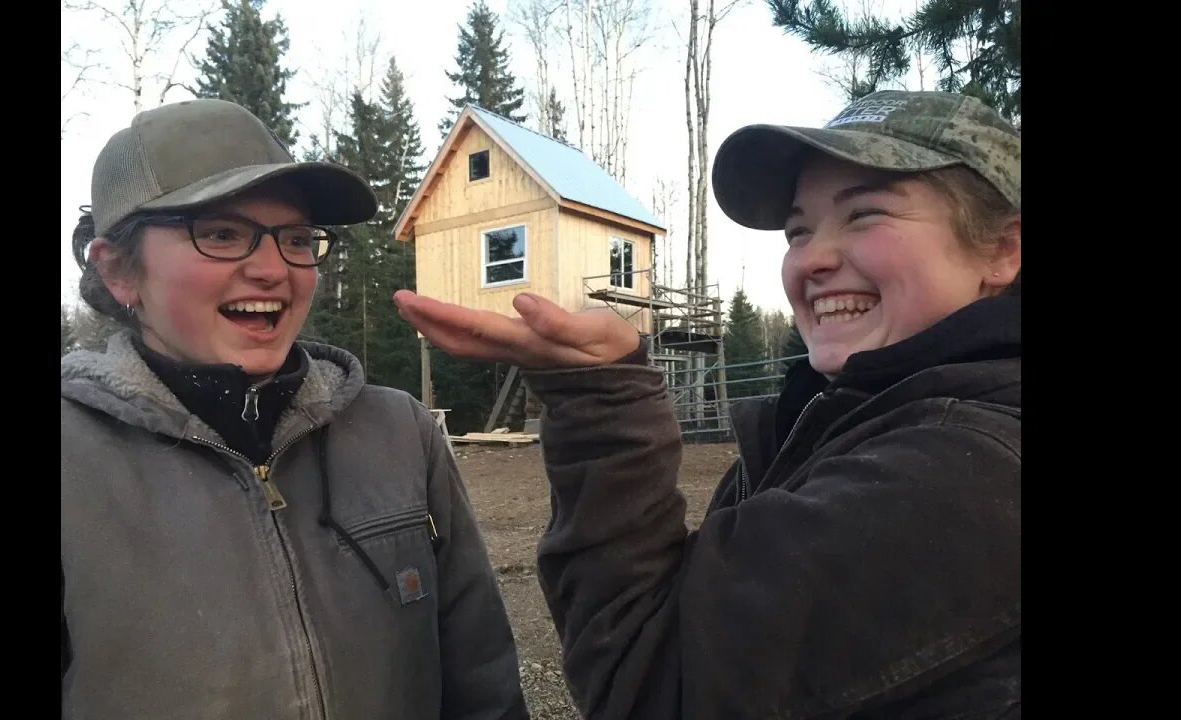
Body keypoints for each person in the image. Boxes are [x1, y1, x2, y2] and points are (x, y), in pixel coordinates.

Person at [393, 89, 1021, 719]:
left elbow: (651, 682)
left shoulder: (962, 468)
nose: (813, 258)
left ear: (1002, 251)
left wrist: (603, 401)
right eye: (799, 230)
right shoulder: (846, 420)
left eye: (865, 215)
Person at [61, 98, 527, 720]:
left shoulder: (401, 433)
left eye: (297, 239)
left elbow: (483, 686)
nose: (273, 269)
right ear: (119, 271)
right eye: (222, 233)